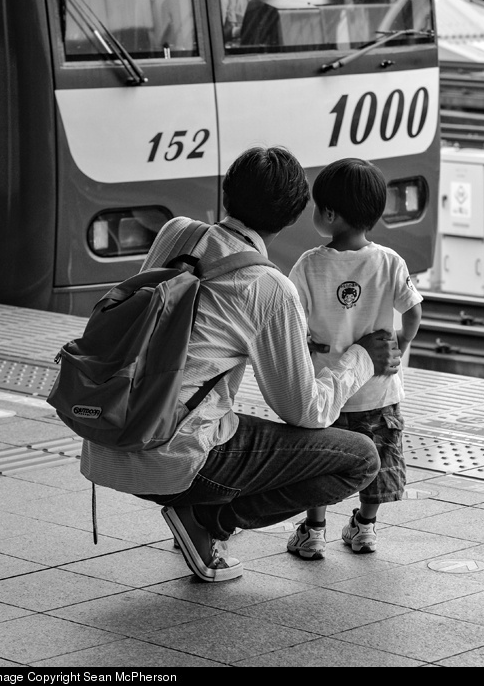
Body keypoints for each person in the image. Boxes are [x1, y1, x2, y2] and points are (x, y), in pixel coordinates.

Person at [80, 146, 401, 584]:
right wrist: (361, 357)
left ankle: (193, 511)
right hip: (174, 458)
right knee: (361, 458)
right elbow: (306, 412)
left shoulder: (176, 233)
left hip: (107, 438)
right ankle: (208, 521)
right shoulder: (269, 287)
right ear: (292, 216)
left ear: (227, 192)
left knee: (218, 415)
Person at [286, 158, 423, 561]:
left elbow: (292, 320)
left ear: (330, 214)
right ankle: (364, 529)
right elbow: (413, 311)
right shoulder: (390, 261)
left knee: (321, 463)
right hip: (378, 392)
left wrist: (307, 347)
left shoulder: (309, 264)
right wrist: (400, 344)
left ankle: (314, 533)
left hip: (328, 391)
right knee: (377, 460)